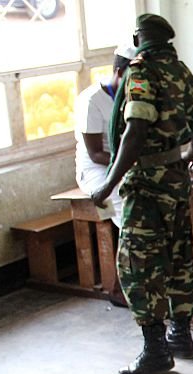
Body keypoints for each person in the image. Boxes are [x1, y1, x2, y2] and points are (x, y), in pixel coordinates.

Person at [92, 13, 193, 374]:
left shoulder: (141, 72)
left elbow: (135, 131)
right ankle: (181, 337)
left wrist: (108, 184)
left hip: (147, 185)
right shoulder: (183, 72)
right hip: (175, 179)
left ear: (140, 37)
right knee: (178, 256)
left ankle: (155, 351)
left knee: (138, 266)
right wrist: (186, 158)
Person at [74, 42, 136, 307]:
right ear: (119, 72)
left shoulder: (132, 96)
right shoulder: (91, 100)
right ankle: (121, 288)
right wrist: (130, 162)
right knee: (124, 205)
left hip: (124, 163)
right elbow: (96, 153)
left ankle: (138, 279)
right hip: (96, 169)